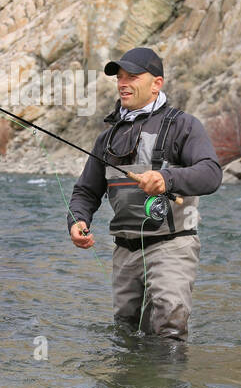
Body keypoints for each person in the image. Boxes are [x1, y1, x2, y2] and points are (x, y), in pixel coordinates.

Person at [66, 47, 222, 340]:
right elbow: (86, 191)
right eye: (119, 77)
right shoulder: (108, 136)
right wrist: (76, 220)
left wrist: (166, 178)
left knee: (169, 329)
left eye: (133, 76)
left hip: (172, 246)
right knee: (125, 333)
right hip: (125, 252)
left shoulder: (182, 125)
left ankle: (169, 386)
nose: (123, 83)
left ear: (156, 83)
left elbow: (212, 173)